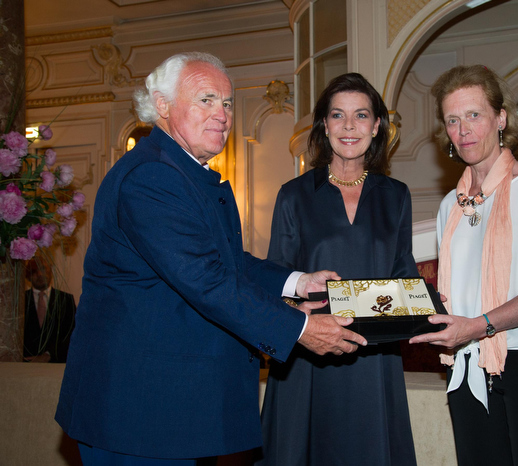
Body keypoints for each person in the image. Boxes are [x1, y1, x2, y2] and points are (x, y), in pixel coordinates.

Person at [54, 52, 367, 465]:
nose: (222, 114)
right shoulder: (151, 176)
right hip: (137, 411)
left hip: (166, 409)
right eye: (206, 100)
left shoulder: (182, 173)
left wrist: (297, 281)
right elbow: (206, 279)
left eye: (228, 103)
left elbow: (225, 263)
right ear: (162, 105)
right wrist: (300, 328)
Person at [409, 65, 518, 465]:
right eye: (453, 120)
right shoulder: (449, 206)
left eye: (474, 115)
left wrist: (476, 326)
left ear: (501, 118)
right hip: (468, 367)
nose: (463, 130)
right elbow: (454, 295)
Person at [257, 73, 418, 466]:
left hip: (373, 358)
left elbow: (403, 272)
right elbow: (277, 276)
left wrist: (424, 300)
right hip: (308, 357)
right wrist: (295, 318)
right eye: (337, 115)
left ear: (376, 126)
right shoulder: (293, 195)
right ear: (324, 126)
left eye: (361, 115)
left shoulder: (396, 196)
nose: (349, 126)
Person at [23, 256, 76, 363]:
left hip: (56, 364)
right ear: (27, 276)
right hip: (25, 363)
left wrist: (49, 354)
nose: (39, 274)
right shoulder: (20, 300)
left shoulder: (66, 299)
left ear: (50, 271)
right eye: (34, 271)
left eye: (43, 268)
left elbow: (72, 333)